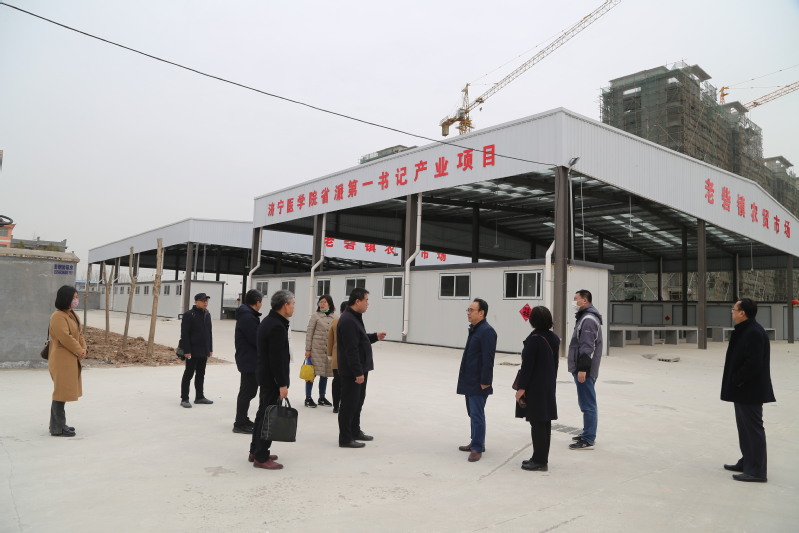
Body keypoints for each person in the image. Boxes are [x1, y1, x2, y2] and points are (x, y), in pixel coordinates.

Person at [721, 298, 775, 483]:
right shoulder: (746, 330)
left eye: (734, 309)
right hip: (743, 389)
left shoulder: (753, 332)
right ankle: (747, 462)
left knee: (753, 429)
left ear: (742, 313)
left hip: (749, 389)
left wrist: (737, 380)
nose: (732, 312)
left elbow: (753, 363)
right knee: (744, 429)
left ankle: (757, 471)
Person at [250, 290, 294, 469]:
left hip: (265, 376)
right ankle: (261, 457)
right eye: (292, 304)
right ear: (285, 305)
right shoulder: (276, 326)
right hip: (272, 379)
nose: (293, 307)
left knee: (263, 413)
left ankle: (255, 451)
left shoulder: (270, 321)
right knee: (269, 417)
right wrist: (282, 384)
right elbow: (276, 360)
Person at [337, 288, 386, 448]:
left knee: (357, 402)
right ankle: (345, 438)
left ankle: (355, 430)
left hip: (360, 368)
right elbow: (351, 349)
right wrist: (357, 372)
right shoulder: (348, 320)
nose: (368, 304)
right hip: (352, 371)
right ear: (357, 301)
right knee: (349, 404)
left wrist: (374, 336)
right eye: (366, 300)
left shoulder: (355, 318)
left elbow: (360, 339)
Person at [515, 306, 560, 471]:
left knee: (537, 424)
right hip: (548, 384)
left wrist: (521, 388)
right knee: (544, 423)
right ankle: (540, 458)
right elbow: (555, 364)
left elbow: (527, 367)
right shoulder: (553, 337)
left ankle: (539, 461)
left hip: (536, 387)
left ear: (533, 321)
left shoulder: (534, 339)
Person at [457, 298, 497, 462]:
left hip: (479, 382)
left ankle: (477, 447)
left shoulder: (487, 331)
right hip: (469, 379)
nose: (468, 313)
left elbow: (488, 359)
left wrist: (485, 381)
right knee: (472, 413)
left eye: (472, 310)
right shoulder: (475, 329)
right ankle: (475, 441)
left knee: (477, 414)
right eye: (468, 309)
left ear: (481, 313)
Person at [48, 285, 87, 437]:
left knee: (62, 392)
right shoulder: (58, 316)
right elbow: (65, 337)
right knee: (60, 393)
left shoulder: (71, 314)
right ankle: (57, 427)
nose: (76, 300)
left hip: (71, 357)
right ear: (66, 298)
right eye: (74, 297)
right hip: (61, 360)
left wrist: (84, 349)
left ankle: (58, 425)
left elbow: (79, 334)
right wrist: (79, 350)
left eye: (77, 297)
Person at [567, 289, 603, 450]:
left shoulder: (588, 319)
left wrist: (582, 369)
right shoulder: (585, 317)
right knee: (585, 402)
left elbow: (587, 347)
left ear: (585, 300)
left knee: (588, 404)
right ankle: (587, 432)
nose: (574, 301)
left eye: (576, 299)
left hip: (585, 369)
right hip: (583, 367)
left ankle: (588, 438)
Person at [232, 289, 263, 433]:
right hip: (249, 359)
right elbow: (255, 339)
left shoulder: (248, 315)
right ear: (257, 302)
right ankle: (239, 424)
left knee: (248, 392)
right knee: (246, 392)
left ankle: (243, 419)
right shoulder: (248, 317)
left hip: (248, 358)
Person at [179, 293, 214, 408]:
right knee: (189, 374)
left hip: (203, 350)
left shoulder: (207, 314)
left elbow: (209, 333)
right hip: (192, 351)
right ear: (196, 302)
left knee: (201, 374)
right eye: (203, 300)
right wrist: (187, 350)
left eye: (206, 300)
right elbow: (184, 334)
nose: (205, 302)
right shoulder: (189, 315)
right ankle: (184, 398)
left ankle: (199, 397)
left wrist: (210, 348)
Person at [303, 295, 336, 408]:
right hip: (315, 350)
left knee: (324, 374)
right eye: (320, 302)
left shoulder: (334, 317)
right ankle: (308, 398)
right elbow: (309, 333)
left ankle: (322, 397)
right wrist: (308, 349)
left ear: (329, 304)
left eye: (324, 302)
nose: (322, 304)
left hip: (327, 351)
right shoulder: (315, 316)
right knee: (311, 374)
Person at [326, 301, 348, 413]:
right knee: (345, 382)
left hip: (336, 357)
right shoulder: (353, 321)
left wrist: (330, 355)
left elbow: (330, 340)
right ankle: (342, 404)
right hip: (346, 358)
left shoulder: (335, 322)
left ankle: (336, 405)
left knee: (337, 381)